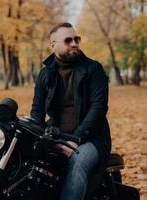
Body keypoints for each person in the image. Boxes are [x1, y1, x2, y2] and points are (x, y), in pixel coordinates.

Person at [30, 22, 111, 200]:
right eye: (68, 40)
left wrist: (76, 140)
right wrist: (39, 135)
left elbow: (99, 108)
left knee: (77, 162)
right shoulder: (45, 74)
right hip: (55, 136)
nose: (74, 43)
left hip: (92, 139)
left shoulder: (93, 69)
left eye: (76, 39)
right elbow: (37, 110)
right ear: (53, 45)